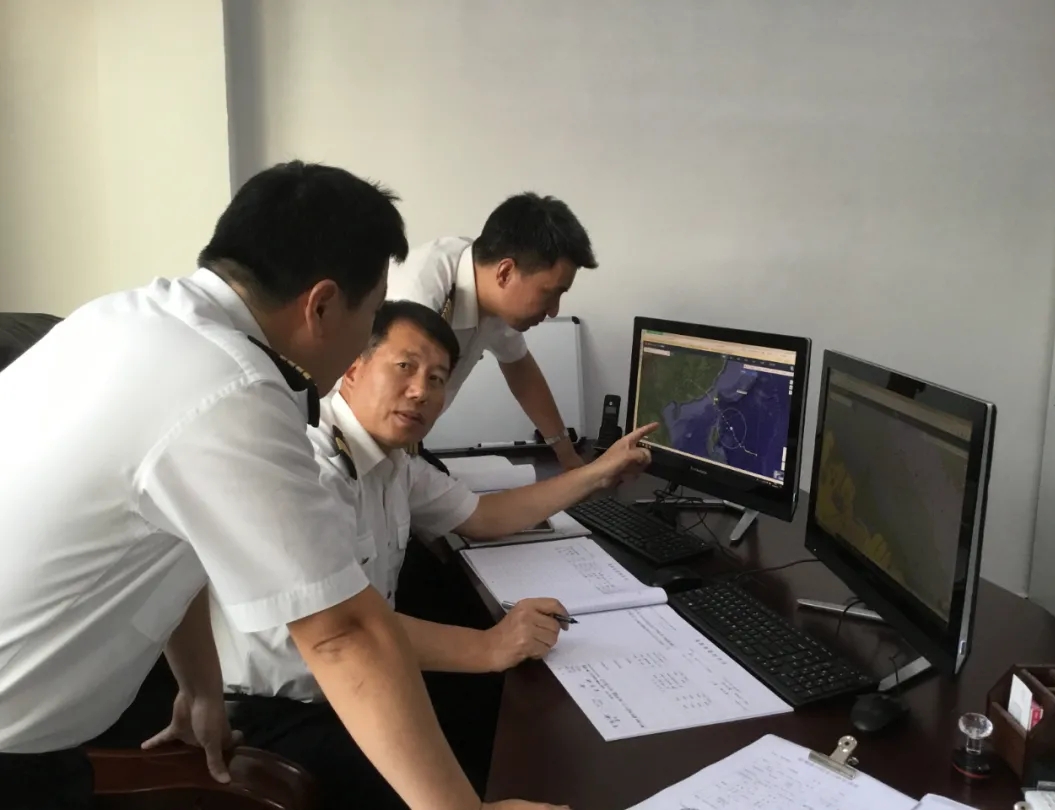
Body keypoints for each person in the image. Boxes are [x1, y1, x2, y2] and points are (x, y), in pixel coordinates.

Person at [0, 160, 560, 810]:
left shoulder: (123, 319)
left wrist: (200, 687)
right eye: (372, 314)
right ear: (322, 306)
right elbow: (340, 634)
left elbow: (175, 535)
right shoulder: (232, 387)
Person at [211, 300, 656, 809]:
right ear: (353, 368)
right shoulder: (311, 466)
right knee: (479, 754)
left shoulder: (392, 460)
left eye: (438, 378)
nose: (421, 390)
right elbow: (347, 631)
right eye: (405, 367)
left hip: (360, 679)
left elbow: (484, 516)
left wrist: (597, 474)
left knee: (509, 722)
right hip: (282, 710)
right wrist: (490, 646)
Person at [386, 192, 597, 471]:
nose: (554, 310)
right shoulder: (418, 295)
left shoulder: (486, 283)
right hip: (362, 449)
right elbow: (383, 401)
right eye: (550, 293)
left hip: (406, 444)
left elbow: (520, 368)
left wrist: (568, 457)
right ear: (505, 273)